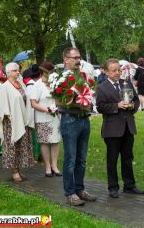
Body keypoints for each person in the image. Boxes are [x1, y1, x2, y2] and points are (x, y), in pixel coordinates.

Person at [96, 58, 144, 199]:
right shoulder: (102, 87)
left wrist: (132, 107)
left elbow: (135, 100)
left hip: (128, 126)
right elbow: (100, 107)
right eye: (114, 70)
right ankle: (113, 187)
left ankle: (129, 185)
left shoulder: (126, 83)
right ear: (105, 71)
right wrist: (116, 106)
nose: (117, 73)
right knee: (112, 159)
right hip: (112, 129)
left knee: (128, 157)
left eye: (119, 69)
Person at [58, 47, 97, 206]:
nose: (78, 60)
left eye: (79, 57)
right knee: (70, 159)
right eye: (74, 57)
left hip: (84, 119)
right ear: (65, 60)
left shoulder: (83, 76)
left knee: (81, 158)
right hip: (69, 120)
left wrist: (87, 104)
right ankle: (70, 193)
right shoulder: (59, 77)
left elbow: (90, 94)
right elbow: (57, 101)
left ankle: (80, 189)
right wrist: (78, 103)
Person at [0, 62, 34, 182]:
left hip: (23, 120)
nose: (17, 72)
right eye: (14, 70)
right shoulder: (5, 87)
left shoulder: (21, 83)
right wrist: (10, 117)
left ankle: (19, 169)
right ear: (8, 73)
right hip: (11, 123)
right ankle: (14, 171)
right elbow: (1, 106)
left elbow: (26, 100)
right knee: (13, 146)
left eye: (18, 70)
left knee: (21, 146)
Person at [30, 61, 62, 177]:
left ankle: (55, 165)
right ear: (43, 72)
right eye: (50, 71)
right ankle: (47, 166)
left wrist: (57, 106)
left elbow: (58, 99)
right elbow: (33, 103)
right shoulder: (37, 85)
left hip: (55, 117)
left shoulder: (55, 83)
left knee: (55, 141)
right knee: (44, 141)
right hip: (43, 117)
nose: (52, 73)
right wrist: (47, 110)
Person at [22, 64, 42, 162]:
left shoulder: (36, 83)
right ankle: (35, 154)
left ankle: (39, 154)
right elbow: (30, 101)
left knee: (38, 133)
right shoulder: (30, 85)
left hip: (39, 111)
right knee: (34, 134)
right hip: (33, 112)